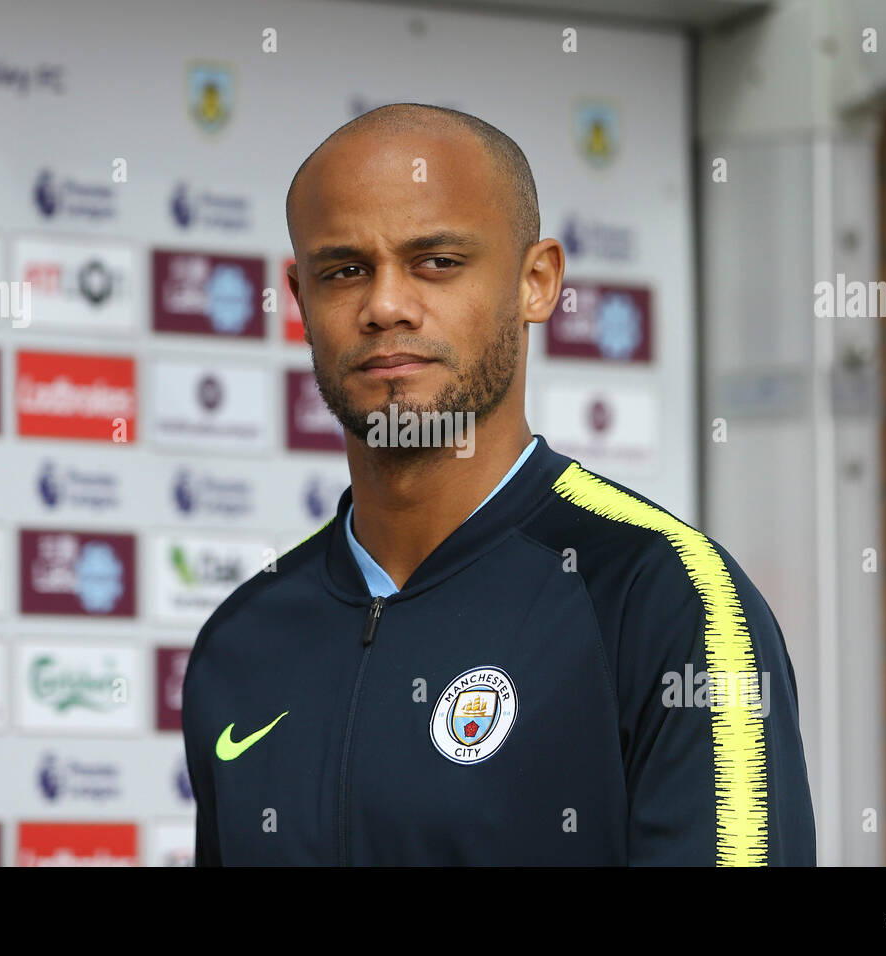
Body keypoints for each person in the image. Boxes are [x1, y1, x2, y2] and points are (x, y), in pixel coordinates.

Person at [181, 102, 816, 865]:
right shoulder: (242, 642)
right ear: (302, 303)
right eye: (345, 270)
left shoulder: (666, 600)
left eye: (436, 262)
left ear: (537, 282)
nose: (385, 304)